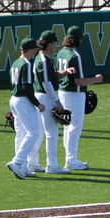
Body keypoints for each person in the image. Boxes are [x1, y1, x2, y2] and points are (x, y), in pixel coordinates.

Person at [57, 25, 103, 170]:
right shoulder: (75, 56)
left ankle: (70, 158)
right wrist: (96, 80)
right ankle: (71, 160)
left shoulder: (61, 52)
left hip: (63, 91)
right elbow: (79, 81)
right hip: (74, 93)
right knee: (74, 127)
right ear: (79, 39)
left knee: (67, 126)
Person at [31, 30, 76, 174]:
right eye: (54, 42)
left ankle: (32, 162)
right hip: (45, 97)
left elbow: (53, 76)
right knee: (52, 133)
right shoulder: (44, 60)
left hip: (40, 96)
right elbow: (46, 83)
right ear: (49, 43)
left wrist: (66, 71)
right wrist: (57, 101)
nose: (56, 45)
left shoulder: (42, 58)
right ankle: (52, 165)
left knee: (39, 133)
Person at [6, 37, 46, 179]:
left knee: (21, 133)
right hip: (23, 100)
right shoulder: (27, 64)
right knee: (33, 133)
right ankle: (17, 162)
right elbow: (26, 87)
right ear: (29, 50)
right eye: (34, 49)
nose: (35, 52)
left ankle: (22, 168)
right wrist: (37, 103)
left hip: (14, 99)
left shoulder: (16, 62)